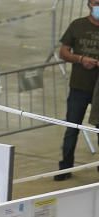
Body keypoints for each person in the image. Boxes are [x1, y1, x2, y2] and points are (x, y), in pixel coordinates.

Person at [56, 0, 99, 181]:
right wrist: (81, 59)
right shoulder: (77, 25)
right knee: (72, 127)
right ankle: (65, 167)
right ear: (89, 4)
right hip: (79, 86)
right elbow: (63, 52)